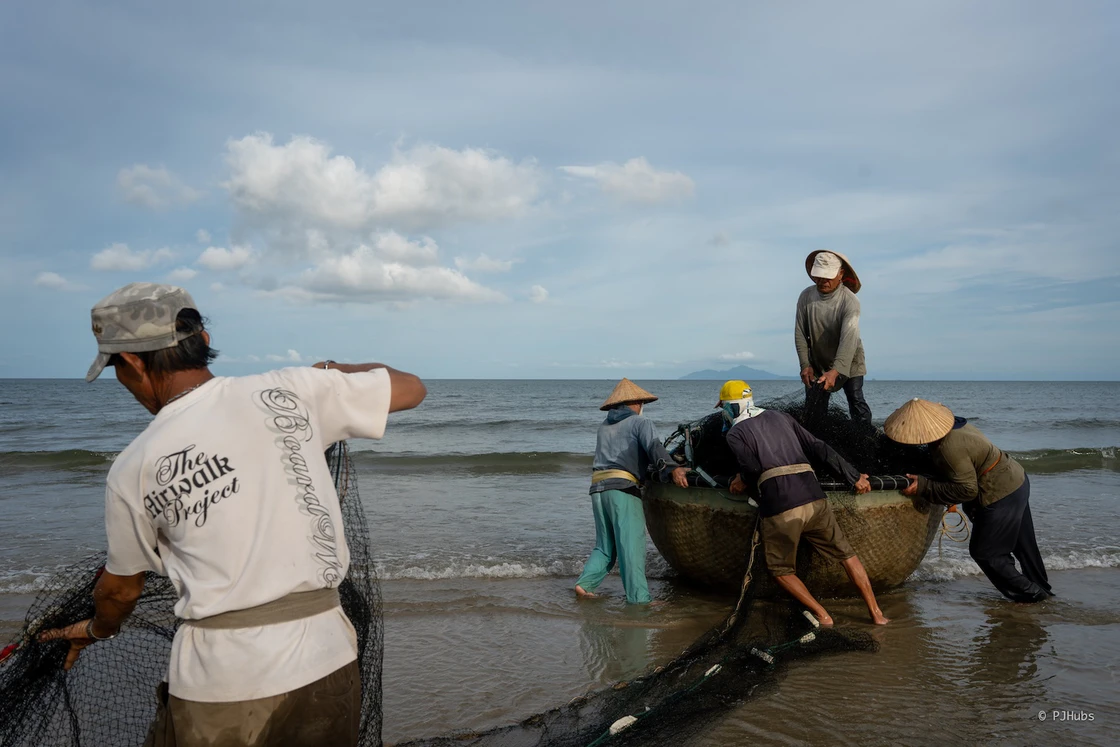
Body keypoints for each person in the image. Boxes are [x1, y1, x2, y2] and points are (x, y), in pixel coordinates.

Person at [39, 283, 426, 747]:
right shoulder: (292, 390)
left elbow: (120, 591)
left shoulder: (132, 467)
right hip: (328, 663)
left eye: (117, 369)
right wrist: (330, 372)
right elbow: (411, 388)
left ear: (134, 362)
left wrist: (96, 629)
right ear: (201, 341)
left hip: (220, 687)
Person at [719, 380, 889, 625]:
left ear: (730, 407)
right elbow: (818, 447)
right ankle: (877, 614)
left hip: (782, 506)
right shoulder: (780, 416)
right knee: (847, 556)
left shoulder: (735, 433)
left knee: (781, 570)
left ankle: (823, 615)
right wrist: (852, 476)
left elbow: (753, 468)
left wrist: (740, 480)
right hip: (814, 497)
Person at [884, 398, 1052, 603]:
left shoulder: (948, 448)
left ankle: (1033, 595)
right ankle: (1044, 592)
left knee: (986, 552)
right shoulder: (957, 426)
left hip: (1000, 491)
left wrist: (924, 486)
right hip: (1016, 478)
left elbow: (967, 490)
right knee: (1024, 546)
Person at [575, 378, 688, 604]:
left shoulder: (604, 427)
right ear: (636, 402)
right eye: (642, 402)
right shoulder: (640, 422)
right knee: (631, 545)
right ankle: (639, 599)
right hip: (622, 489)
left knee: (605, 546)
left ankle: (584, 584)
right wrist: (673, 469)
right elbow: (654, 448)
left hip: (598, 489)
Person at [794, 250, 872, 426]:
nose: (823, 281)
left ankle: (866, 438)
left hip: (849, 362)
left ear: (841, 274)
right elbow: (800, 332)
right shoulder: (806, 297)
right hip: (818, 362)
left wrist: (836, 370)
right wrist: (805, 365)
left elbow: (849, 338)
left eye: (828, 276)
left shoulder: (850, 301)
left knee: (856, 401)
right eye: (819, 276)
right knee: (814, 409)